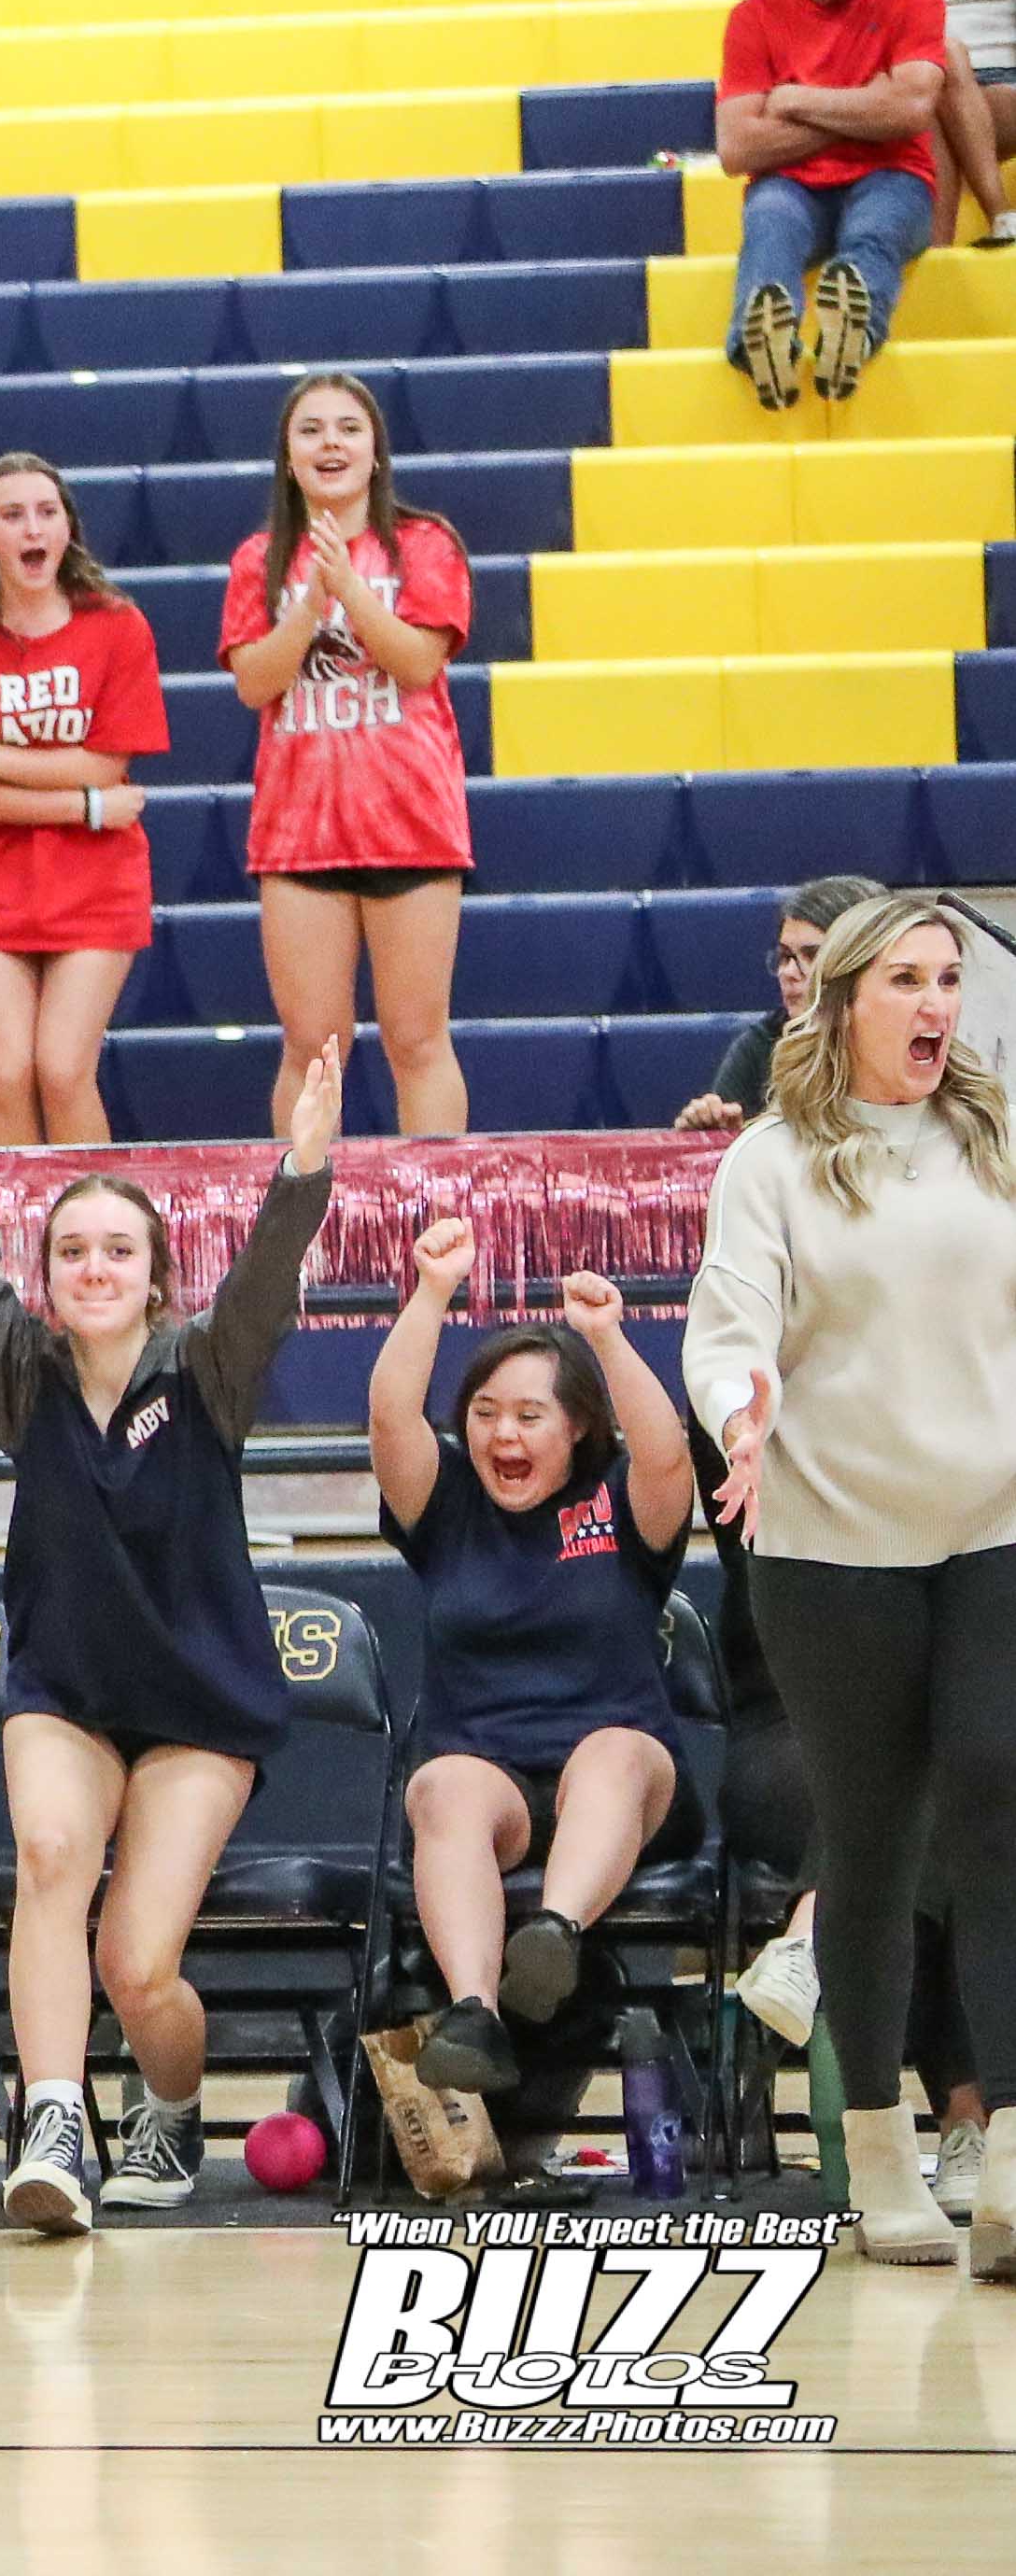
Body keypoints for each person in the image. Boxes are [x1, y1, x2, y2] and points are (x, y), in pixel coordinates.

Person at [0, 1020, 339, 2238]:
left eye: (117, 1247)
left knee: (137, 1965)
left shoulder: (207, 1370)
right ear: (47, 1274)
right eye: (70, 1248)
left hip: (196, 1704)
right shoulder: (18, 1372)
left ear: (154, 1272)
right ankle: (56, 2120)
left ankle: (171, 2102)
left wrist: (302, 1166)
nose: (92, 1264)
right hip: (64, 1688)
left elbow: (267, 1280)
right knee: (49, 1857)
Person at [684, 891, 1016, 2268]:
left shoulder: (993, 1138)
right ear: (841, 1000)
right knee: (873, 1837)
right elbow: (723, 1331)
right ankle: (874, 2142)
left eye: (948, 978)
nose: (935, 1003)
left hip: (993, 1519)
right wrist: (742, 1411)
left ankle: (1005, 2149)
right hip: (828, 1544)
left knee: (999, 1790)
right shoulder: (768, 1158)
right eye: (905, 979)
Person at [370, 1225, 698, 2094]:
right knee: (444, 1786)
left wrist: (608, 1335)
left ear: (578, 1425)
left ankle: (553, 1934)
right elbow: (391, 1415)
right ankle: (475, 2011)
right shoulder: (444, 1507)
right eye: (484, 1414)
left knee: (611, 1752)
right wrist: (433, 1289)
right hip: (491, 1781)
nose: (502, 1435)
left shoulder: (621, 1501)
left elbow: (668, 1451)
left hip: (622, 1783)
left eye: (528, 1415)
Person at [222, 375, 476, 1138]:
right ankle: (298, 1245)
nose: (330, 442)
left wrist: (350, 591)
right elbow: (253, 681)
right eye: (311, 430)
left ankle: (441, 1231)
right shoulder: (259, 558)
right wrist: (308, 601)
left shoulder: (426, 544)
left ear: (374, 453)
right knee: (310, 1046)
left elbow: (419, 664)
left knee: (418, 1039)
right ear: (289, 459)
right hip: (300, 831)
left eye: (347, 428)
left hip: (413, 822)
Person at [0, 453, 169, 1147]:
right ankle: (10, 1248)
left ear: (68, 530)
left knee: (61, 1065)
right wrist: (84, 806)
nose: (33, 527)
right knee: (6, 1068)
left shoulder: (116, 627)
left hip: (96, 880)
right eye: (13, 514)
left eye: (48, 512)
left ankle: (103, 1242)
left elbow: (107, 762)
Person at [718, 0, 952, 408]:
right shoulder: (754, 17)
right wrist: (866, 106)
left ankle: (852, 333)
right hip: (792, 185)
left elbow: (912, 110)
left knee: (876, 229)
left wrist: (796, 99)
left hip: (894, 176)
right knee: (771, 222)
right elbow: (737, 149)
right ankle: (764, 347)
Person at [681, 872, 887, 1129]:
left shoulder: (910, 1044)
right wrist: (717, 1140)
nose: (788, 972)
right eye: (785, 956)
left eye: (812, 955)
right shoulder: (761, 1047)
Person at [896, 0, 1016, 241]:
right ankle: (1000, 219)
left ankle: (942, 251)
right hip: (928, 76)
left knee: (938, 79)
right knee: (935, 88)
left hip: (1005, 77)